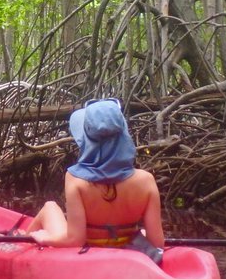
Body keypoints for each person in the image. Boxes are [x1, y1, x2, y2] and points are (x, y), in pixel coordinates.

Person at [25, 98, 165, 254]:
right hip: (126, 250)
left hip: (89, 252)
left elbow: (75, 240)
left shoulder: (75, 179)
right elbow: (157, 243)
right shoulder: (146, 180)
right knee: (143, 232)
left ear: (87, 139)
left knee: (49, 207)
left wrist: (44, 238)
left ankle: (22, 244)